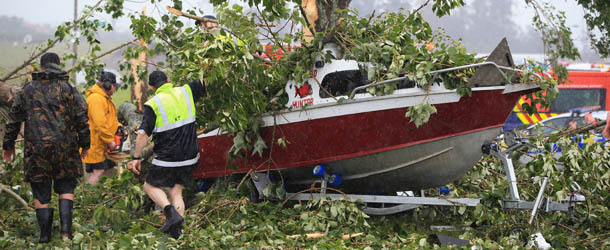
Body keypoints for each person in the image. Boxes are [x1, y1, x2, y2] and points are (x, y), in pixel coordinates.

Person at [2, 52, 90, 243]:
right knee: (66, 186)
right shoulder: (69, 88)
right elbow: (82, 117)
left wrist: (8, 145)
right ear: (58, 65)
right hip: (65, 147)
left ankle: (44, 237)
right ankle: (66, 233)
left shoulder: (27, 89)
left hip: (37, 148)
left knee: (41, 190)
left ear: (41, 67)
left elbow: (13, 119)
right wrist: (85, 144)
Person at [127, 71, 205, 239]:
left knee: (149, 186)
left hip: (169, 158)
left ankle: (170, 214)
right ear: (169, 80)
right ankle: (177, 236)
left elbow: (142, 135)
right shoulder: (186, 91)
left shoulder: (153, 104)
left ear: (152, 87)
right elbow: (206, 80)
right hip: (191, 155)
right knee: (176, 193)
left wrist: (136, 158)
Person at [83, 71, 122, 185]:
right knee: (98, 171)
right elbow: (99, 123)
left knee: (109, 170)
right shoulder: (96, 99)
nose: (115, 90)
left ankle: (106, 196)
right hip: (95, 144)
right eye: (114, 86)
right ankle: (88, 196)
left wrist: (119, 128)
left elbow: (110, 119)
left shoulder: (104, 99)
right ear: (108, 85)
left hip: (103, 144)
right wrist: (110, 141)